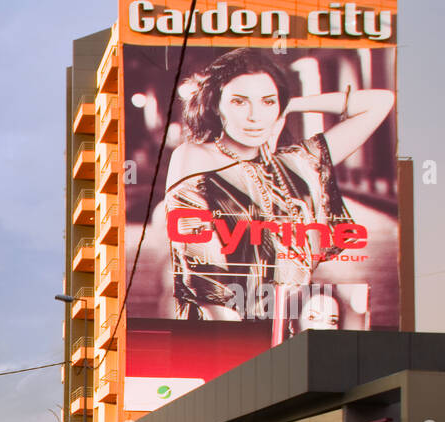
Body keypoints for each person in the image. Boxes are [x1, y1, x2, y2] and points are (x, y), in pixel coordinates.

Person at [163, 48, 394, 325]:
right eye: (239, 102)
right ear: (215, 104)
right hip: (224, 325)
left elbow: (381, 101)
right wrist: (238, 341)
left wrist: (292, 103)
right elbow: (200, 268)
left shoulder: (299, 161)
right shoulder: (194, 156)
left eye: (267, 102)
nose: (255, 116)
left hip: (291, 321)